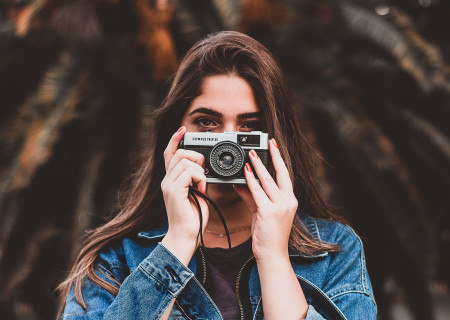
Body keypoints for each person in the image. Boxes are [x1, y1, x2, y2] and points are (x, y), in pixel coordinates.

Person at [57, 31, 377, 320]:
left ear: (275, 138)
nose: (227, 145)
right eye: (207, 123)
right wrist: (177, 243)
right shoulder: (115, 258)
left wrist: (274, 255)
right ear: (175, 134)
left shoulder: (334, 251)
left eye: (249, 126)